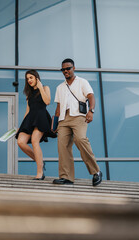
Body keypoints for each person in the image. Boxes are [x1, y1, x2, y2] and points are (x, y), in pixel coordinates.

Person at [52, 58, 103, 186]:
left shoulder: (82, 82)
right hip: (63, 119)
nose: (65, 71)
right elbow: (58, 107)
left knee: (80, 139)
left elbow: (91, 96)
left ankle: (96, 171)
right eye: (63, 69)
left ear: (73, 68)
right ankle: (66, 177)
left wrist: (91, 111)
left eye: (68, 68)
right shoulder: (59, 87)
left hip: (78, 117)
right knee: (62, 146)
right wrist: (55, 123)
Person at [16, 70, 56, 180]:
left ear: (36, 78)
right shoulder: (29, 94)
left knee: (34, 140)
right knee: (20, 142)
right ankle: (40, 162)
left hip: (41, 117)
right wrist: (21, 126)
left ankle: (40, 173)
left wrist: (40, 87)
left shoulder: (45, 88)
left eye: (31, 78)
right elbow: (27, 111)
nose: (29, 80)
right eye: (27, 78)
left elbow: (47, 101)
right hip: (30, 118)